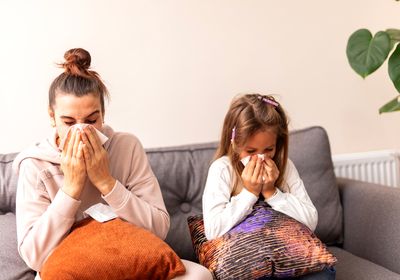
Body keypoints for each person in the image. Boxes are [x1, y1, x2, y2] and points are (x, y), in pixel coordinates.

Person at [13, 48, 212, 280]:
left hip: (132, 255)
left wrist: (106, 182)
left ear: (103, 114)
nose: (81, 130)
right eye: (68, 122)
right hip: (70, 268)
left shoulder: (126, 146)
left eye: (91, 120)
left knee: (199, 276)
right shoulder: (35, 164)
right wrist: (71, 189)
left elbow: (158, 229)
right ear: (51, 117)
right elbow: (34, 256)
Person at [202, 93, 336, 279]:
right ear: (234, 143)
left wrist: (272, 192)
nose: (261, 158)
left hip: (289, 256)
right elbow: (213, 230)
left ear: (277, 144)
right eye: (251, 151)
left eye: (268, 150)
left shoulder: (285, 166)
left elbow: (310, 221)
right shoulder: (222, 169)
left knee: (323, 275)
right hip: (247, 262)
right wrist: (249, 192)